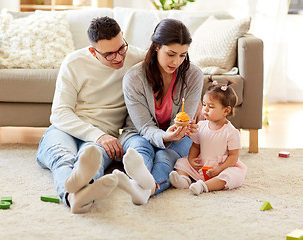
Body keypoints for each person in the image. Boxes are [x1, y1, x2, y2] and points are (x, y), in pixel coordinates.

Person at [36, 16, 145, 214]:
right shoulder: (74, 62)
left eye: (121, 48)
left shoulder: (135, 56)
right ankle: (74, 196)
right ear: (93, 52)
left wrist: (197, 102)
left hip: (104, 135)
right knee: (62, 158)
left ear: (123, 38)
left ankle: (75, 197)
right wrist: (98, 136)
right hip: (68, 129)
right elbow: (60, 113)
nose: (119, 58)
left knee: (93, 159)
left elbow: (171, 63)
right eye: (109, 54)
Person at [113, 18, 204, 205]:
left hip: (179, 136)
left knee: (165, 156)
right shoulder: (134, 78)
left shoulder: (194, 76)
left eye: (182, 55)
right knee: (140, 151)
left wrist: (174, 134)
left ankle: (146, 189)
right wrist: (164, 137)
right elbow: (144, 126)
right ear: (156, 47)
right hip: (138, 133)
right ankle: (141, 183)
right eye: (171, 54)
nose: (177, 61)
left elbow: (184, 120)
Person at [169, 78, 247, 195]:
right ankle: (184, 181)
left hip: (221, 168)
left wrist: (220, 169)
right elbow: (195, 146)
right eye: (204, 104)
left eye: (210, 106)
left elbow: (233, 156)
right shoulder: (200, 126)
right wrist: (191, 159)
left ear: (226, 110)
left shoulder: (231, 132)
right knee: (181, 163)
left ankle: (204, 186)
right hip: (201, 166)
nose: (204, 109)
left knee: (233, 175)